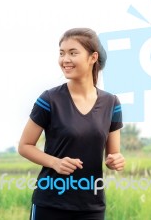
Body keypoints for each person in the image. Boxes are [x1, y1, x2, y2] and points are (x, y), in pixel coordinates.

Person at [18, 28, 125, 220]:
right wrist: (55, 162)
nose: (65, 59)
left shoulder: (112, 103)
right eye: (62, 53)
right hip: (50, 203)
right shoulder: (49, 100)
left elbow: (113, 154)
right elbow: (25, 146)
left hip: (91, 206)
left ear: (93, 57)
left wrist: (115, 160)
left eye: (73, 53)